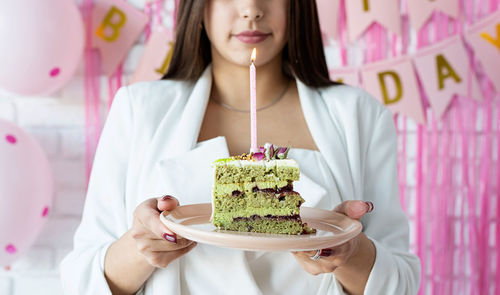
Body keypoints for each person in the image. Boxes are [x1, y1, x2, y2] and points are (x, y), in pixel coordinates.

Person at [60, 0, 421, 294]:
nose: (251, 9)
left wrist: (349, 251)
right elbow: (80, 281)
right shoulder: (138, 109)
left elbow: (402, 282)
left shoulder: (359, 114)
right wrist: (142, 248)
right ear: (197, 7)